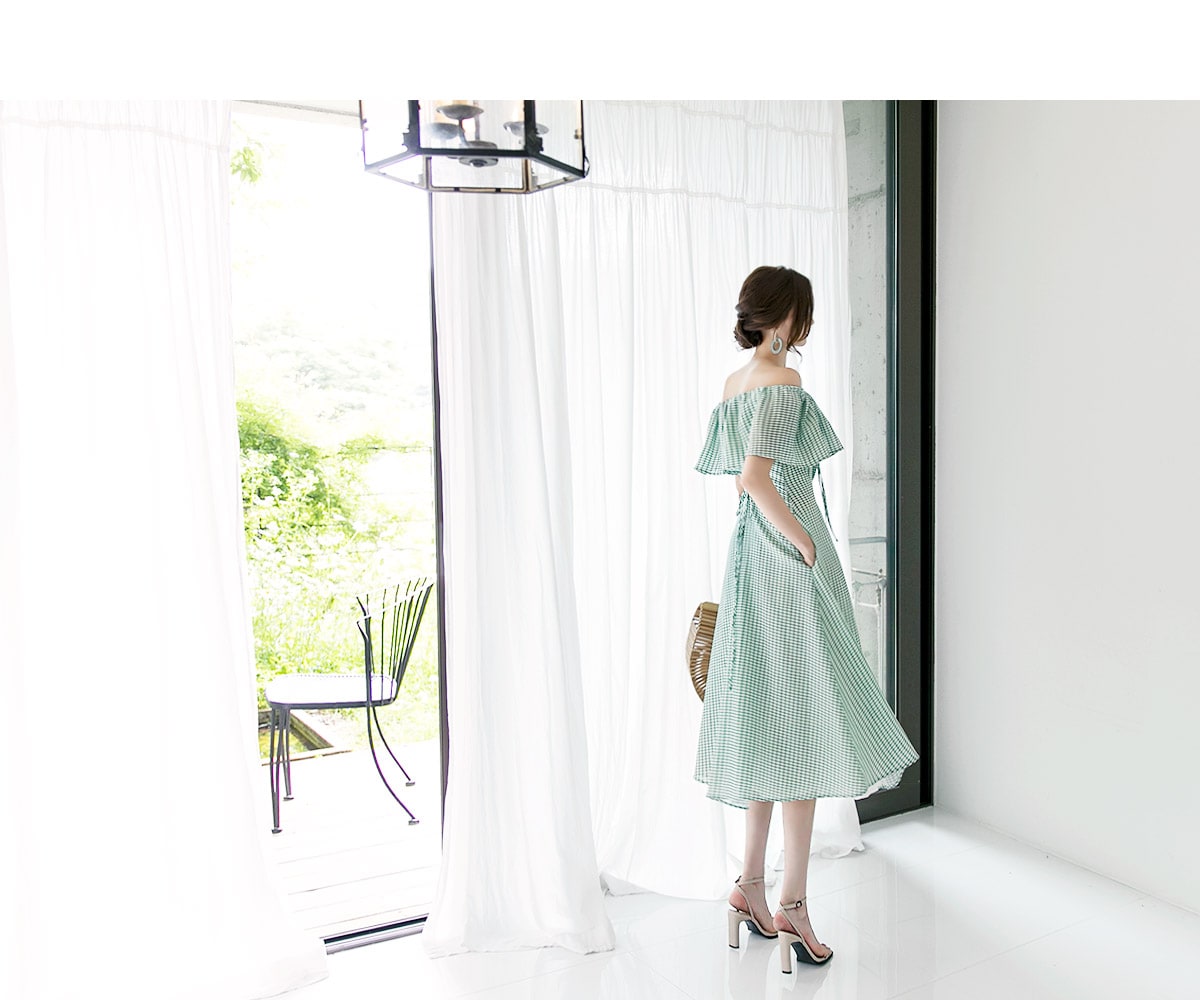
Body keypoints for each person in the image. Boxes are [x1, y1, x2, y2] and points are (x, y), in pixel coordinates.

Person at [692, 265, 920, 973]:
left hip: (749, 561)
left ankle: (750, 887)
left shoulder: (735, 383)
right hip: (787, 562)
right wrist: (807, 542)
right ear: (786, 315)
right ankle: (791, 902)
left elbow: (742, 484)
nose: (802, 326)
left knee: (770, 720)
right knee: (808, 723)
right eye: (801, 314)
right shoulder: (781, 382)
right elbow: (756, 478)